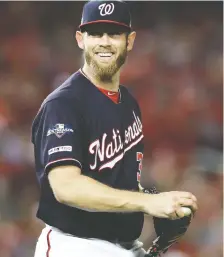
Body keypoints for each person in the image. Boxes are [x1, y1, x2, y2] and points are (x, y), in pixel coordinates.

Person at [31, 1, 198, 257]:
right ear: (80, 39)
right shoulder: (63, 104)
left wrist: (162, 201)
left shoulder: (128, 101)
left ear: (129, 41)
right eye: (96, 33)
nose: (105, 42)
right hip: (75, 244)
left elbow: (116, 180)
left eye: (114, 33)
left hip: (125, 245)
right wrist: (149, 203)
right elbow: (66, 187)